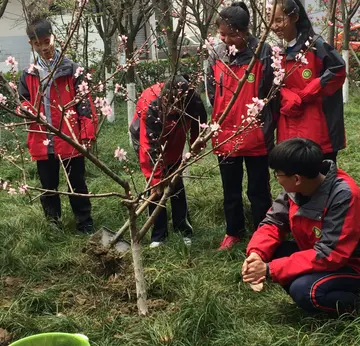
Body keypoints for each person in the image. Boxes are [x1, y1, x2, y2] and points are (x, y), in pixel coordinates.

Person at [242, 138, 360, 314]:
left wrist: (269, 269)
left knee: (306, 291)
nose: (277, 180)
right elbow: (273, 222)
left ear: (296, 178)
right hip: (317, 253)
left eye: (277, 174)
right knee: (272, 251)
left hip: (351, 263)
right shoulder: (296, 188)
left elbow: (331, 253)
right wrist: (256, 255)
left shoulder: (344, 195)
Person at [207, 2, 275, 250]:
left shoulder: (262, 51)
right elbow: (212, 91)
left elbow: (270, 92)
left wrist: (265, 125)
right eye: (221, 34)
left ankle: (264, 232)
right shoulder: (216, 53)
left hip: (256, 133)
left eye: (230, 34)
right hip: (225, 133)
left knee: (258, 189)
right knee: (230, 189)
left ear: (244, 31)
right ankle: (233, 230)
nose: (225, 39)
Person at [18, 18, 97, 233]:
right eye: (37, 44)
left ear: (54, 37)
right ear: (31, 45)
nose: (44, 48)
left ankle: (84, 221)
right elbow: (23, 101)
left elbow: (85, 105)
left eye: (47, 41)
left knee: (77, 183)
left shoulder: (72, 69)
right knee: (48, 185)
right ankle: (53, 223)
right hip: (42, 139)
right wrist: (23, 110)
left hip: (70, 137)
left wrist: (87, 134)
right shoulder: (28, 74)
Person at [129, 75, 207, 248]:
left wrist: (196, 146)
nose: (170, 108)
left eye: (174, 106)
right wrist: (156, 178)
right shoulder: (152, 103)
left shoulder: (193, 101)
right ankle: (158, 235)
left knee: (175, 181)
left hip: (175, 136)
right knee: (155, 188)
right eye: (167, 104)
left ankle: (183, 228)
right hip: (147, 138)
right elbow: (149, 147)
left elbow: (200, 127)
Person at [270, 0, 346, 163]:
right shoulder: (278, 52)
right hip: (289, 124)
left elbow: (338, 70)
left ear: (295, 17)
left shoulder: (315, 46)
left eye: (279, 20)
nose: (274, 26)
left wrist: (310, 90)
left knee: (319, 178)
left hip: (318, 127)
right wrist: (284, 93)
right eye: (271, 21)